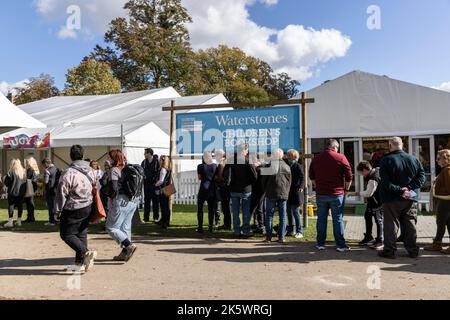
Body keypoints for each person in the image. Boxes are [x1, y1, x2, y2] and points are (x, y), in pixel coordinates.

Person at [378, 137, 426, 259]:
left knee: (391, 225)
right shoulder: (413, 158)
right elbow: (422, 177)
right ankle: (412, 250)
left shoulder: (386, 160)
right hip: (409, 197)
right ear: (402, 145)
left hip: (391, 198)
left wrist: (400, 190)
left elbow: (385, 182)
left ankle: (389, 250)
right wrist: (409, 188)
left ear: (390, 146)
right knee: (409, 223)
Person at [55, 145, 97, 273]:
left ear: (71, 156)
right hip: (88, 205)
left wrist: (58, 210)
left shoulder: (68, 172)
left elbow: (61, 191)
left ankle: (85, 252)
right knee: (81, 233)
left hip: (73, 207)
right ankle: (80, 264)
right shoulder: (91, 170)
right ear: (83, 155)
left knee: (66, 234)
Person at [309, 139, 353, 252]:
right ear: (335, 147)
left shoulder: (316, 158)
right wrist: (346, 189)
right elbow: (349, 176)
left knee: (321, 219)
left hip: (321, 193)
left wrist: (318, 186)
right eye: (337, 148)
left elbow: (311, 176)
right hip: (337, 194)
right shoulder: (341, 157)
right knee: (337, 219)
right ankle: (340, 245)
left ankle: (320, 243)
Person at [105, 150, 138, 262]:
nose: (108, 159)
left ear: (114, 159)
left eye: (109, 157)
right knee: (125, 228)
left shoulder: (114, 170)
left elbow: (114, 188)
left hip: (120, 200)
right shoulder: (127, 168)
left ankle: (129, 245)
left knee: (111, 227)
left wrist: (110, 197)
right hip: (133, 201)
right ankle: (125, 253)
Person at [224, 144, 258, 239]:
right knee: (246, 212)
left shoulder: (231, 161)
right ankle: (245, 232)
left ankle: (236, 231)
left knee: (235, 211)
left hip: (234, 189)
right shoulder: (248, 161)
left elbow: (225, 174)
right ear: (245, 151)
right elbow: (255, 177)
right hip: (246, 189)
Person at [425, 149, 450, 254]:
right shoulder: (445, 169)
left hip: (445, 201)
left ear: (445, 159)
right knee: (447, 222)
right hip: (445, 201)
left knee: (441, 222)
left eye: (438, 158)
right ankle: (437, 243)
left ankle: (437, 244)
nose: (436, 160)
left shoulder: (447, 170)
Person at [264, 149, 292, 243]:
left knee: (269, 215)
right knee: (283, 216)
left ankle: (268, 237)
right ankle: (281, 237)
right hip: (283, 193)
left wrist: (265, 189)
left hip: (271, 193)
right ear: (282, 156)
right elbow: (289, 182)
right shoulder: (287, 167)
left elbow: (263, 181)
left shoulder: (269, 166)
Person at [356, 161, 384, 250]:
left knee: (378, 220)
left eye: (361, 173)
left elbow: (368, 193)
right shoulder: (377, 170)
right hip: (373, 201)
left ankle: (380, 240)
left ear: (365, 170)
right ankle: (368, 237)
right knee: (367, 216)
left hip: (377, 202)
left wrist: (357, 193)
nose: (362, 175)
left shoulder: (372, 178)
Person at [197, 151, 218, 233]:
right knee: (211, 209)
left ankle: (200, 227)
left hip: (203, 188)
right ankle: (210, 227)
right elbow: (216, 177)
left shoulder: (200, 166)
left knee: (200, 209)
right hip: (211, 189)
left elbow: (199, 177)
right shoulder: (214, 166)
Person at [286, 149, 304, 239]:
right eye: (288, 156)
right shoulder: (286, 165)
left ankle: (299, 231)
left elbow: (302, 177)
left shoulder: (298, 166)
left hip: (296, 192)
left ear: (295, 157)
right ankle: (290, 230)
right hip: (288, 192)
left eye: (291, 157)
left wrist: (301, 186)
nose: (289, 158)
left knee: (296, 212)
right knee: (289, 212)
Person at [3, 159, 27, 228]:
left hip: (12, 192)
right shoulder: (23, 172)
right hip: (21, 192)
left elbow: (6, 183)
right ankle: (19, 221)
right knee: (20, 206)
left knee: (11, 206)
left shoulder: (11, 172)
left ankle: (10, 221)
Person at [214, 150, 232, 230]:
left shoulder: (221, 164)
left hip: (223, 188)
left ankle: (227, 224)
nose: (215, 157)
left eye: (216, 155)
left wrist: (215, 178)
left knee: (225, 207)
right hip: (228, 187)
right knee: (226, 207)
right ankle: (227, 224)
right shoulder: (228, 162)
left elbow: (221, 178)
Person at [141, 148, 160, 223]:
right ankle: (146, 218)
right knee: (147, 201)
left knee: (155, 201)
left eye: (145, 153)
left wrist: (155, 180)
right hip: (146, 184)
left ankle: (156, 217)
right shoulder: (144, 162)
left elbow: (159, 171)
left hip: (154, 184)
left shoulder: (156, 162)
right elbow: (141, 171)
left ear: (149, 153)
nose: (144, 154)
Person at [250, 153, 267, 235]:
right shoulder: (263, 166)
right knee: (260, 208)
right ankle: (258, 224)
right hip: (261, 190)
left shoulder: (260, 167)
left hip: (259, 190)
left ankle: (261, 226)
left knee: (259, 208)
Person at [156, 155, 173, 229]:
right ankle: (165, 221)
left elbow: (161, 181)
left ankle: (164, 222)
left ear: (163, 161)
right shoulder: (168, 169)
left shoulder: (163, 169)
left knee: (163, 206)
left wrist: (155, 184)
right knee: (166, 206)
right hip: (168, 188)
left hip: (164, 189)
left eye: (160, 160)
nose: (159, 161)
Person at [42, 158, 60, 226]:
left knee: (51, 207)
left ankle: (51, 221)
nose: (43, 166)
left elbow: (46, 181)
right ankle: (57, 219)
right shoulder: (56, 169)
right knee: (56, 207)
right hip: (56, 190)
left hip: (49, 190)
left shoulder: (47, 170)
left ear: (46, 163)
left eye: (43, 164)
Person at [23, 157, 40, 223]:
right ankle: (30, 217)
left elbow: (28, 178)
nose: (26, 163)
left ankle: (31, 218)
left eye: (27, 162)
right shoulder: (34, 170)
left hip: (29, 188)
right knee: (30, 203)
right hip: (32, 188)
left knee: (29, 203)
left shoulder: (30, 170)